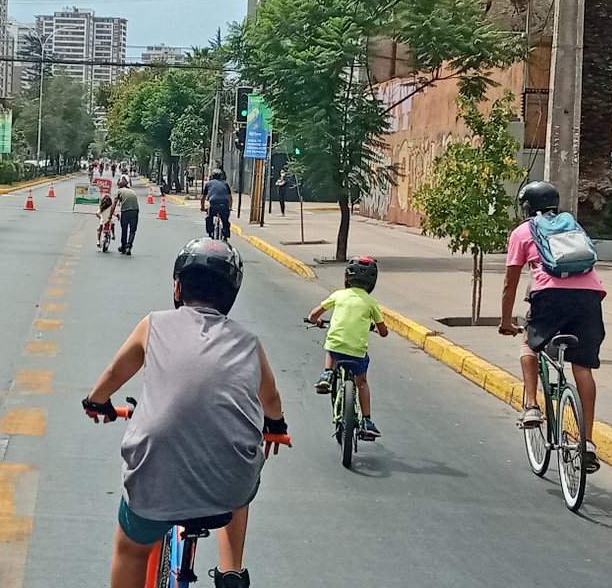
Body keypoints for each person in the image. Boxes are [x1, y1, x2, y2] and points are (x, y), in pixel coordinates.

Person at [83, 238, 287, 588]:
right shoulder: (250, 343)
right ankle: (231, 571)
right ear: (231, 296)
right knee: (242, 470)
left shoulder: (154, 324)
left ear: (177, 288)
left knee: (130, 552)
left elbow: (115, 374)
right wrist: (275, 426)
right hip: (229, 486)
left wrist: (96, 401)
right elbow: (271, 399)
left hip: (154, 485)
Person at [498, 181, 605, 473]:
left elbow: (511, 283)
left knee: (529, 344)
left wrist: (506, 321)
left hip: (549, 296)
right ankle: (588, 441)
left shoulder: (523, 232)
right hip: (589, 297)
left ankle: (532, 405)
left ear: (527, 206)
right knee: (582, 366)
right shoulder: (574, 226)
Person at [307, 256, 389, 439]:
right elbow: (384, 332)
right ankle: (367, 420)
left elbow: (313, 315)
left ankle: (327, 373)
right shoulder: (371, 302)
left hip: (336, 349)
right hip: (357, 354)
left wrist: (317, 321)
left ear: (346, 278)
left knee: (332, 344)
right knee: (362, 383)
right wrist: (376, 328)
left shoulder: (338, 295)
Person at [109, 177, 139, 255]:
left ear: (120, 186)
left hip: (125, 212)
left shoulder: (119, 191)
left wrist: (110, 216)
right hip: (135, 211)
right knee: (132, 231)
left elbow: (113, 205)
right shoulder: (132, 191)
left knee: (124, 230)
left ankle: (123, 247)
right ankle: (129, 247)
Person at [201, 169, 233, 240]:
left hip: (213, 204)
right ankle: (225, 234)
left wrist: (202, 207)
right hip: (224, 205)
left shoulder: (208, 184)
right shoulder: (225, 184)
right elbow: (230, 197)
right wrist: (230, 207)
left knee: (209, 218)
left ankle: (210, 233)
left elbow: (203, 198)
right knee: (225, 221)